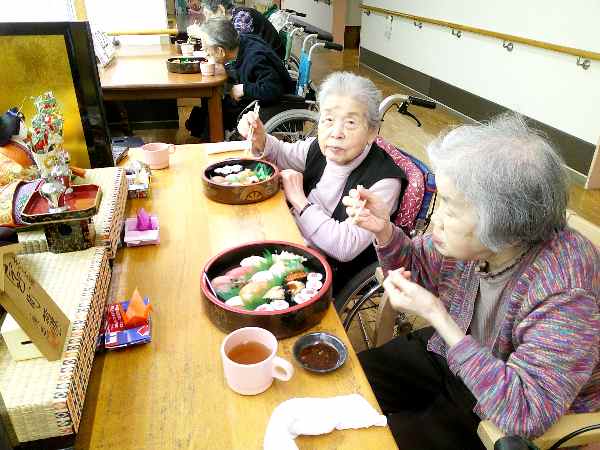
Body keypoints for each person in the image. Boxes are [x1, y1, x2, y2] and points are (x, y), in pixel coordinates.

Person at [342, 114, 600, 450]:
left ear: (499, 224)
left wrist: (439, 317)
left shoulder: (565, 289)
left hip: (493, 406)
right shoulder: (475, 243)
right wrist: (385, 232)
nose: (436, 220)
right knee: (345, 383)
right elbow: (411, 270)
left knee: (364, 442)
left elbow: (525, 412)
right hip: (449, 355)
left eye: (449, 208)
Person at [238, 72, 407, 292]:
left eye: (350, 123)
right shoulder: (318, 147)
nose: (336, 133)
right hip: (289, 236)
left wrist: (299, 200)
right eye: (328, 120)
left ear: (372, 132)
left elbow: (345, 246)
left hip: (323, 269)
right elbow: (280, 152)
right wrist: (261, 137)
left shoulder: (383, 181)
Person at [185, 17, 295, 139]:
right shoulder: (242, 41)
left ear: (220, 51)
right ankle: (204, 130)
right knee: (211, 103)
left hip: (272, 104)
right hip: (254, 97)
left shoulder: (255, 58)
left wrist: (243, 89)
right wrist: (223, 65)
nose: (205, 52)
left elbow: (273, 88)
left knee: (216, 106)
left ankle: (214, 141)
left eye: (207, 50)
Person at [201, 0, 285, 60]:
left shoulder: (242, 16)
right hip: (257, 57)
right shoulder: (233, 18)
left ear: (221, 9)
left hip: (271, 59)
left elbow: (238, 48)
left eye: (208, 14)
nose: (207, 20)